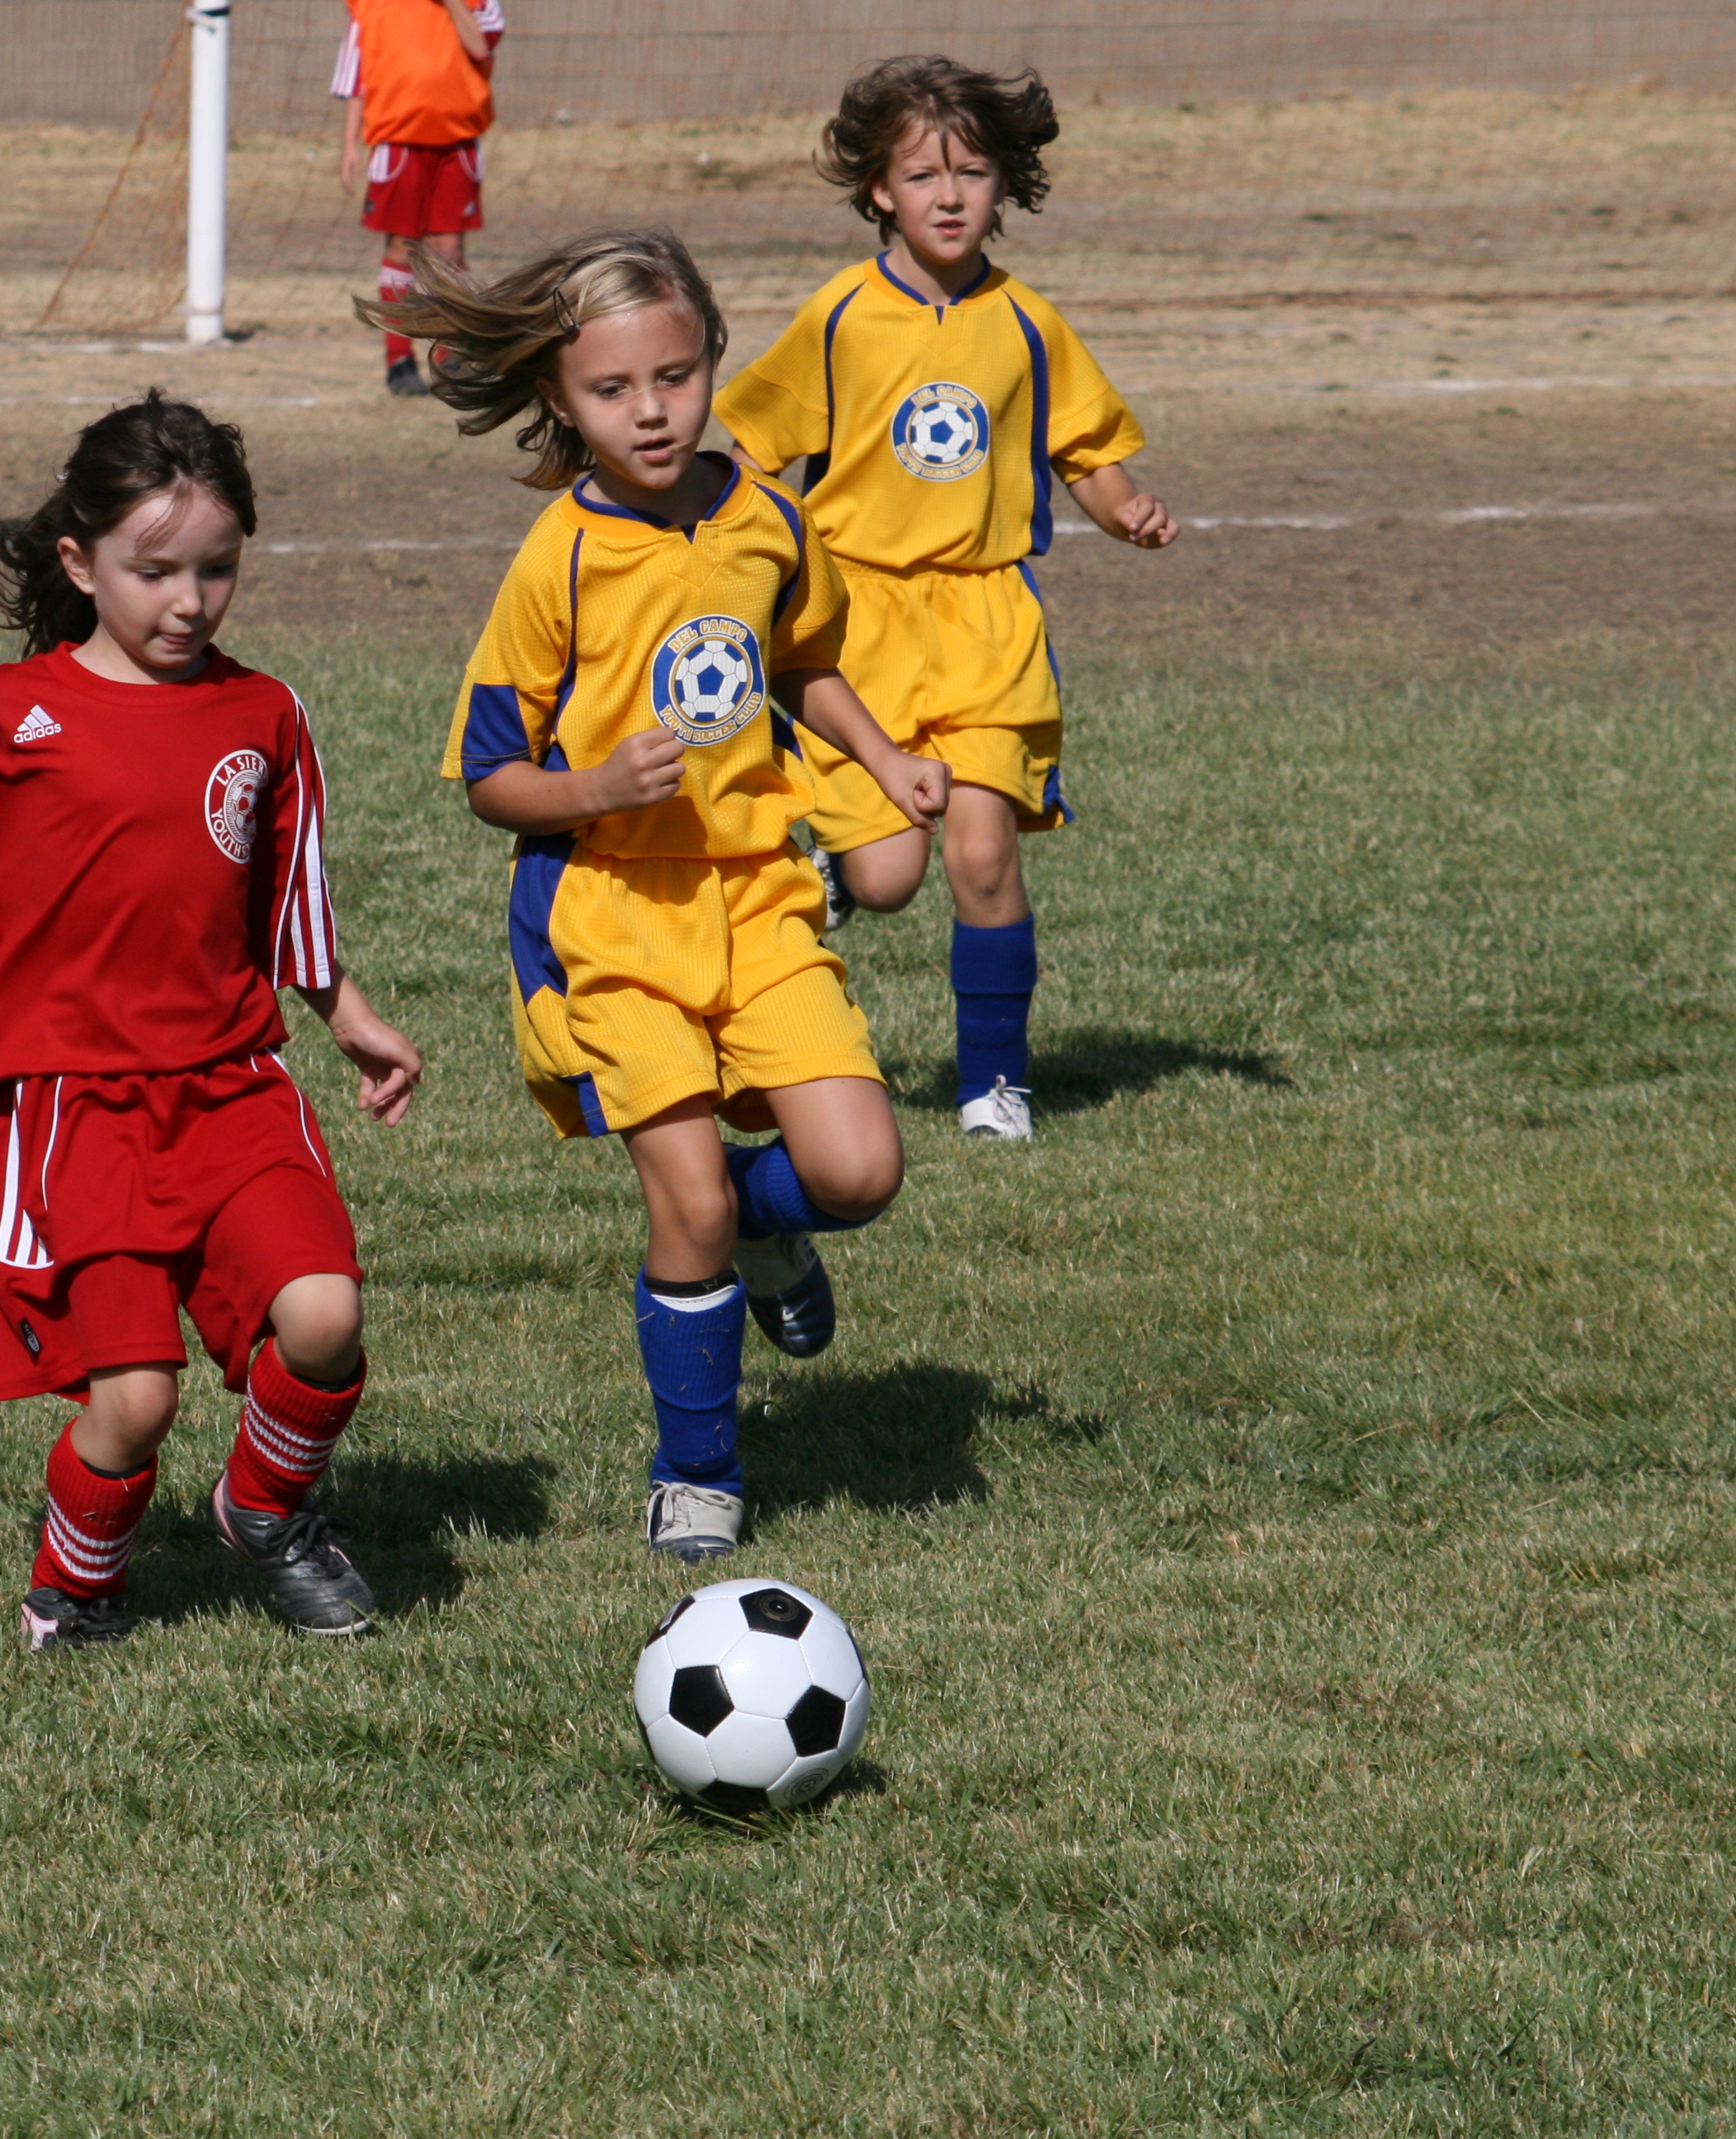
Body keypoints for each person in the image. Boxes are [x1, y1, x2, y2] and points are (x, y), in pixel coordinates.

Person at [0, 393, 424, 1650]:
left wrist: (351, 1015)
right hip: (79, 1113)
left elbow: (289, 888)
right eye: (154, 571)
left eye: (216, 569)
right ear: (79, 562)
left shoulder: (265, 714)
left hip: (231, 1086)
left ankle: (263, 1507)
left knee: (326, 1317)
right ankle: (76, 1580)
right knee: (135, 1401)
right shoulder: (21, 710)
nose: (190, 601)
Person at [366, 229, 950, 1565]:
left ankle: (764, 1227)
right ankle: (697, 1474)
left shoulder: (767, 518)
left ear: (712, 363)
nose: (649, 410)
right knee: (681, 1204)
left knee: (859, 1170)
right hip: (611, 913)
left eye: (674, 378)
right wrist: (594, 789)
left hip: (759, 897)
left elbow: (801, 660)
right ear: (562, 399)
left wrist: (883, 759)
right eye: (612, 388)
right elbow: (490, 777)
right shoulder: (558, 558)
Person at [715, 56, 1177, 1143]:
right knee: (886, 879)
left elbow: (1087, 448)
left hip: (984, 622)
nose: (951, 195)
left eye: (972, 172)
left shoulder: (1028, 323)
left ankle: (994, 1086)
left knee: (982, 851)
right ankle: (826, 863)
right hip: (856, 623)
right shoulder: (839, 317)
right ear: (880, 190)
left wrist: (1126, 509)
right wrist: (743, 553)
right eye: (923, 175)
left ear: (1004, 183)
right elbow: (752, 446)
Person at [333, 0, 502, 396]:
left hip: (458, 140)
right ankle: (399, 359)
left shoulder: (479, 3)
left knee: (449, 249)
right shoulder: (371, 7)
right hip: (398, 139)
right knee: (402, 248)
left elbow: (481, 46)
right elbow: (356, 79)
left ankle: (450, 355)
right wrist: (349, 145)